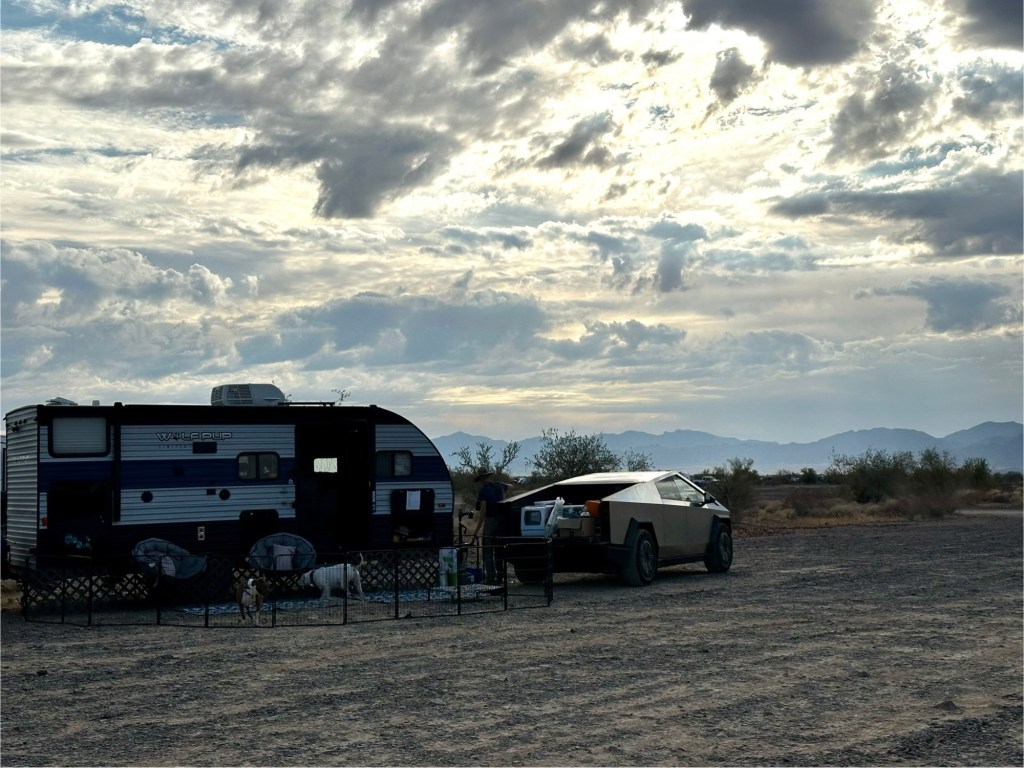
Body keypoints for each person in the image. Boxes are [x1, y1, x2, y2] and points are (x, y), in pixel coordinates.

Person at [475, 471, 507, 584]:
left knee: (487, 549)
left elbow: (483, 510)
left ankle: (490, 576)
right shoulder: (499, 485)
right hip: (502, 521)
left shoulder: (483, 491)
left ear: (482, 479)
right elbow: (511, 486)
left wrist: (478, 528)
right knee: (498, 548)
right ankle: (501, 574)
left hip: (491, 520)